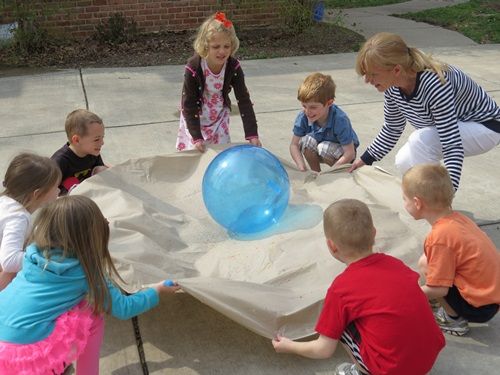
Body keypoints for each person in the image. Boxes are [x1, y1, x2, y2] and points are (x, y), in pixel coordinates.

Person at [0, 195, 180, 375]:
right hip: (27, 356)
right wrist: (157, 290)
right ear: (91, 235)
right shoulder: (87, 272)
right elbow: (124, 308)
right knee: (93, 314)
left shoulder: (32, 255)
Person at [272, 199, 444, 375]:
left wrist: (289, 346)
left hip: (394, 370)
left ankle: (362, 370)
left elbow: (324, 349)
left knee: (338, 324)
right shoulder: (396, 264)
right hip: (428, 356)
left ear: (331, 245)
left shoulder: (341, 289)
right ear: (374, 233)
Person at [349, 32, 500, 190]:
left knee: (419, 141)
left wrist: (449, 192)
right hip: (458, 129)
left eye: (373, 74)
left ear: (396, 70)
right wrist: (364, 161)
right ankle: (428, 201)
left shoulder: (433, 83)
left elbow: (451, 144)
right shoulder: (392, 87)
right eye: (366, 74)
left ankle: (438, 203)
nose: (367, 80)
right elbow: (392, 127)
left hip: (487, 127)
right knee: (405, 161)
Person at [402, 164, 500, 336]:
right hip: (491, 297)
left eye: (404, 198)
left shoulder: (440, 237)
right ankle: (451, 306)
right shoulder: (458, 219)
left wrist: (405, 296)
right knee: (427, 261)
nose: (404, 202)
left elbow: (438, 289)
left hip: (478, 307)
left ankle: (453, 320)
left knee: (428, 271)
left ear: (417, 203)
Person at [175, 11, 261, 152]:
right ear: (205, 45)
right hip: (195, 117)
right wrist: (196, 137)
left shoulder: (233, 66)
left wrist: (252, 134)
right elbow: (188, 103)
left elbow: (244, 100)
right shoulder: (194, 67)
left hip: (219, 117)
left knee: (220, 153)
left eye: (226, 46)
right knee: (196, 155)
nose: (222, 51)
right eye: (216, 47)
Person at [0, 152, 61, 290]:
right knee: (12, 274)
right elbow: (9, 261)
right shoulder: (18, 217)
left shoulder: (5, 201)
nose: (59, 190)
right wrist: (42, 257)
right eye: (56, 187)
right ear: (38, 193)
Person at [290, 72, 359, 172]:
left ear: (329, 103)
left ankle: (338, 174)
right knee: (306, 141)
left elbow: (350, 153)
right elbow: (294, 145)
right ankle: (316, 174)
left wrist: (330, 173)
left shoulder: (340, 119)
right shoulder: (303, 116)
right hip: (319, 148)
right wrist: (302, 168)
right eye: (304, 106)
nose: (308, 112)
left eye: (313, 107)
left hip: (343, 155)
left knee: (324, 148)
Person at [51, 109, 108, 195]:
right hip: (69, 200)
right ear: (77, 140)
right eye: (97, 139)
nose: (102, 143)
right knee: (70, 182)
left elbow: (101, 169)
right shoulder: (59, 161)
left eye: (102, 137)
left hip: (88, 191)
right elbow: (49, 190)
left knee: (102, 170)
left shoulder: (92, 152)